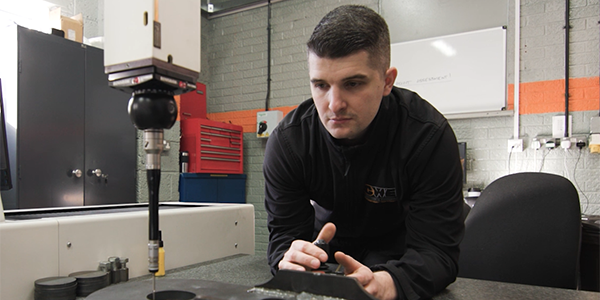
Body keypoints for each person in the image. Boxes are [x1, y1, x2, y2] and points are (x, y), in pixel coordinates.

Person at [263, 5, 465, 300]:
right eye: (320, 85)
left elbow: (438, 252)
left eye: (353, 84)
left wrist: (389, 282)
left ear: (387, 81)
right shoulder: (289, 143)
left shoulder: (428, 138)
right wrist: (287, 259)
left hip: (400, 260)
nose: (334, 104)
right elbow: (283, 234)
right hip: (325, 258)